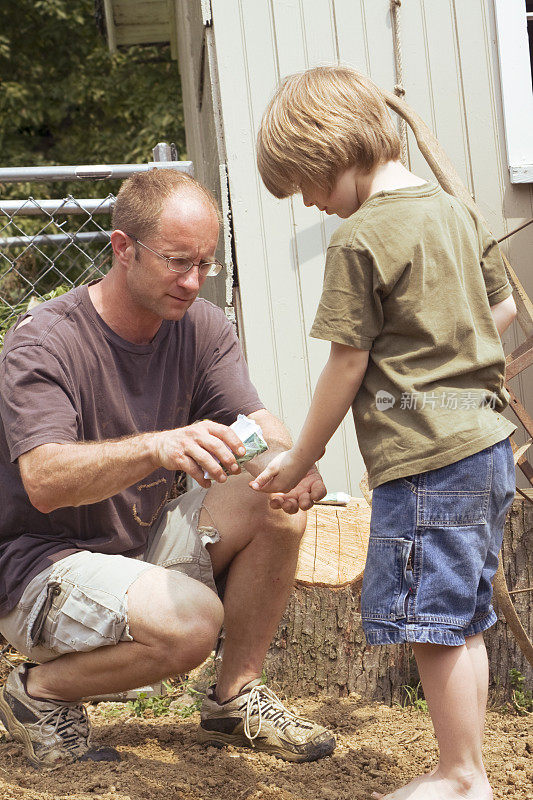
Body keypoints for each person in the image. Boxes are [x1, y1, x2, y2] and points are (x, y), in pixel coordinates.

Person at [0, 168, 334, 768]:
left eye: (205, 265)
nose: (192, 281)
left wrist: (290, 463)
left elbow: (258, 424)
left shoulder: (200, 327)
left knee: (271, 499)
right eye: (178, 262)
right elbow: (44, 481)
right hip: (37, 568)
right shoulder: (45, 341)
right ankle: (37, 693)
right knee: (194, 624)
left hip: (139, 546)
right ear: (122, 248)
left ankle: (236, 698)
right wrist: (156, 448)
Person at [252, 66, 518, 800]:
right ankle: (470, 775)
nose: (309, 203)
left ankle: (459, 775)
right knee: (462, 615)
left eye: (304, 184)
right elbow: (497, 314)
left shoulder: (361, 239)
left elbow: (346, 363)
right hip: (484, 445)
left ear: (328, 147)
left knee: (433, 622)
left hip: (427, 461)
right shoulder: (457, 213)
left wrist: (301, 456)